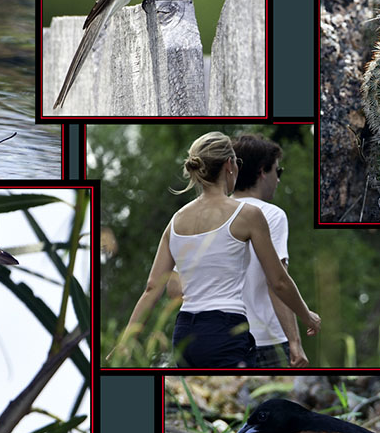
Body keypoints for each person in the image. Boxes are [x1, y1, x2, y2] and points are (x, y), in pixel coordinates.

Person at [110, 132, 320, 367]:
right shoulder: (248, 215)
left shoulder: (176, 221)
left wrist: (126, 342)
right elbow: (279, 281)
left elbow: (152, 288)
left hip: (184, 332)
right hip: (224, 329)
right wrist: (306, 315)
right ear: (230, 165)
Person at [232, 134, 307, 368]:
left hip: (223, 339)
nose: (278, 180)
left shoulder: (212, 213)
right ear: (262, 171)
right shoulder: (272, 215)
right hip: (268, 341)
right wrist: (294, 341)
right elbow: (278, 283)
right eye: (278, 171)